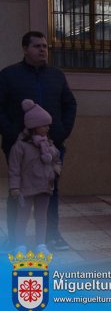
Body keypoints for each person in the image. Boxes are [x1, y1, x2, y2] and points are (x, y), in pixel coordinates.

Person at [0, 31, 77, 252]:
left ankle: (52, 236)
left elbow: (70, 105)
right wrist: (14, 134)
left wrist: (61, 132)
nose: (43, 50)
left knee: (50, 191)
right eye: (37, 46)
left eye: (45, 46)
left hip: (51, 146)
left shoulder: (56, 75)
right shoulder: (8, 75)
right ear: (25, 49)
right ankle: (15, 239)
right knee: (17, 191)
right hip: (20, 147)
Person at [9, 100, 62, 255]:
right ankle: (20, 245)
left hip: (45, 187)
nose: (48, 128)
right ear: (34, 126)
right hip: (26, 188)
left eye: (48, 125)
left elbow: (57, 159)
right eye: (44, 125)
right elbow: (14, 168)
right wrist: (15, 187)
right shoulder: (20, 146)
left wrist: (55, 171)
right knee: (22, 217)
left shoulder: (49, 144)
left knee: (41, 217)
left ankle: (41, 244)